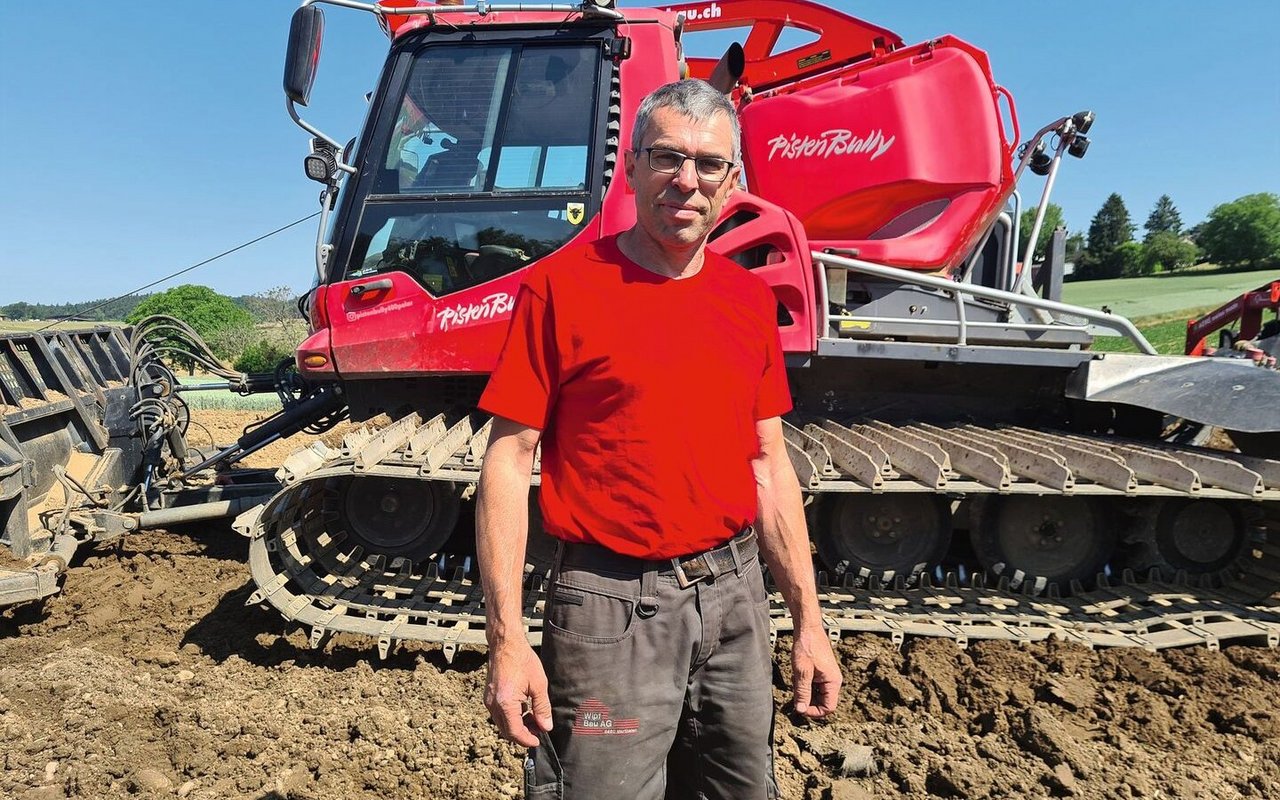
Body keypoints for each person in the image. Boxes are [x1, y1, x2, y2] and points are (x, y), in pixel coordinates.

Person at [475, 78, 841, 800]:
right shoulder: (560, 290)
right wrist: (507, 640)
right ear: (632, 166)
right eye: (667, 157)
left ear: (732, 181)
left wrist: (809, 621)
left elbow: (767, 463)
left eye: (709, 164)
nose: (687, 180)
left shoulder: (746, 302)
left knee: (738, 788)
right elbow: (509, 462)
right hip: (610, 610)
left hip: (735, 603)